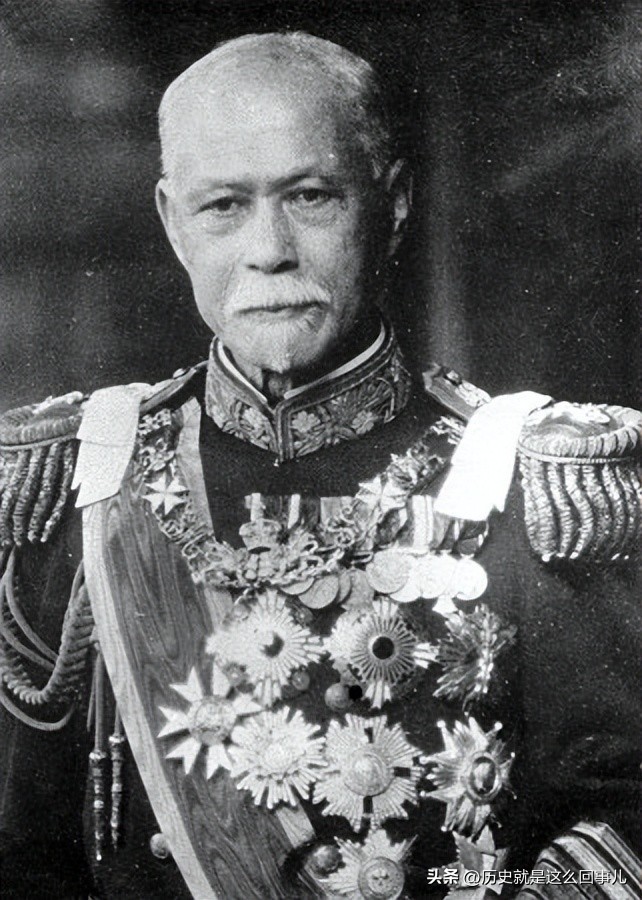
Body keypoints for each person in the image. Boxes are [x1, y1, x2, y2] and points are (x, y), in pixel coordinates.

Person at [0, 31, 640, 900]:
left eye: (309, 196)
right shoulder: (85, 484)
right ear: (173, 224)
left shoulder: (534, 486)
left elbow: (622, 816)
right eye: (223, 206)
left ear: (394, 203)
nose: (269, 249)